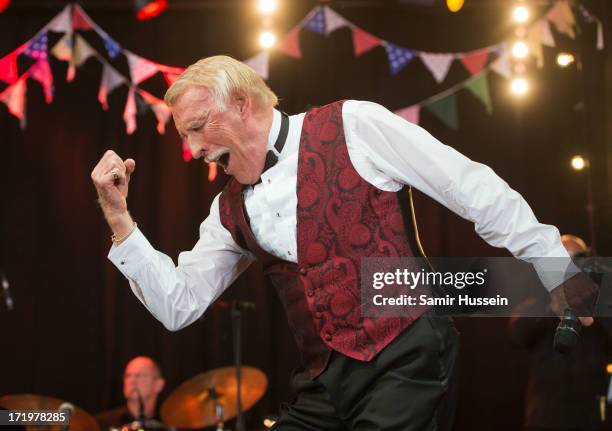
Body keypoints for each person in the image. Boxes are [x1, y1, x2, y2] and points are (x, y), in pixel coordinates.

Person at [91, 55, 596, 430]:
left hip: (407, 362)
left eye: (198, 129)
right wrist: (119, 217)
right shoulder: (227, 210)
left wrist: (556, 265)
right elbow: (178, 305)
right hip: (326, 383)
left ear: (243, 104)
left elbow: (469, 187)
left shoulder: (353, 125)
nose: (194, 149)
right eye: (186, 136)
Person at [509, 235, 612, 431]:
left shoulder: (600, 305)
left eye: (577, 258)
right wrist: (553, 305)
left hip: (591, 420)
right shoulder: (536, 301)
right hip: (545, 419)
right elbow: (517, 334)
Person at [96, 356, 166, 431]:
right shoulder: (101, 423)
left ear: (159, 384)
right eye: (128, 376)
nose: (132, 381)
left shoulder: (168, 423)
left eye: (140, 376)